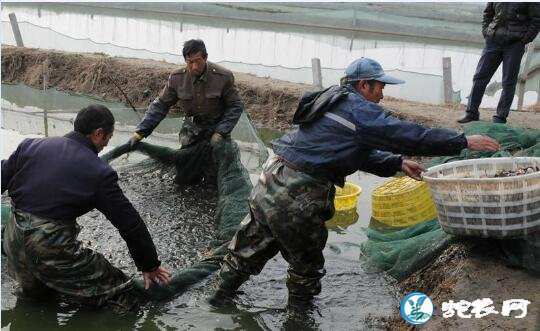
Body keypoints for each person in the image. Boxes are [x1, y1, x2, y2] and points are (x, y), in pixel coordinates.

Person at [208, 57, 500, 311]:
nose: (383, 93)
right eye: (380, 86)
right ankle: (299, 320)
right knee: (305, 269)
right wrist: (461, 141)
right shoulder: (358, 109)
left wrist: (396, 162)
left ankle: (216, 302)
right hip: (298, 192)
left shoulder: (329, 100)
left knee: (247, 249)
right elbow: (407, 134)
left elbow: (341, 149)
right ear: (364, 86)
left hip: (270, 179)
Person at [1, 105, 171, 311]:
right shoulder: (98, 172)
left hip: (12, 239)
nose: (106, 144)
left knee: (35, 301)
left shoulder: (31, 145)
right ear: (99, 134)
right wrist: (149, 265)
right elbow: (130, 224)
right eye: (108, 138)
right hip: (49, 245)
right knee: (121, 293)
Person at [128, 39, 244, 185]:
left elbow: (236, 105)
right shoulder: (177, 78)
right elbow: (160, 106)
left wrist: (221, 131)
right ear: (185, 60)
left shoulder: (223, 77)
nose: (194, 66)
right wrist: (140, 132)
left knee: (213, 176)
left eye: (198, 61)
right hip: (191, 131)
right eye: (190, 62)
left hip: (216, 130)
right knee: (185, 172)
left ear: (205, 57)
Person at [457, 2, 540, 124]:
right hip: (493, 41)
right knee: (480, 76)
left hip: (515, 44)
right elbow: (488, 13)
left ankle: (500, 117)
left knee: (508, 82)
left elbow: (537, 20)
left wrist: (524, 40)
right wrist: (487, 32)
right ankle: (471, 113)